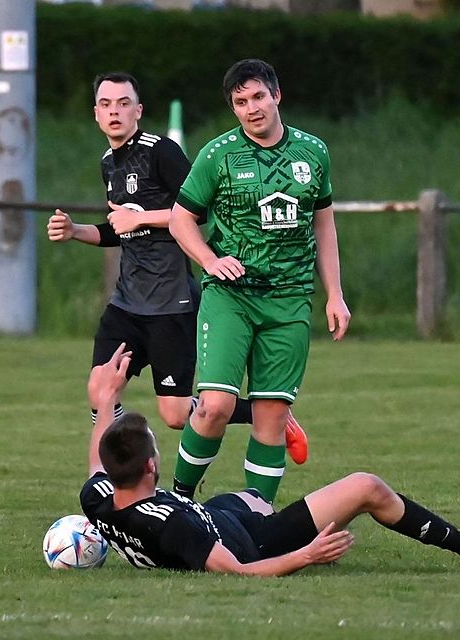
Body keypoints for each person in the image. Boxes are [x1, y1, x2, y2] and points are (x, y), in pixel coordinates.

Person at [79, 345, 460, 576]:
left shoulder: (100, 498)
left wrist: (106, 402)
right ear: (152, 468)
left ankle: (269, 446)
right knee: (366, 487)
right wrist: (305, 555)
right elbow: (240, 572)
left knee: (252, 496)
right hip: (256, 543)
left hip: (219, 513)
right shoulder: (171, 528)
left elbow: (100, 464)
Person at [46, 71, 308, 462]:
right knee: (100, 389)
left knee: (174, 414)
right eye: (105, 104)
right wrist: (75, 230)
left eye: (123, 103)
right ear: (96, 115)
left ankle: (268, 414)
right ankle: (115, 484)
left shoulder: (160, 152)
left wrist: (142, 219)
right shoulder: (108, 163)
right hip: (127, 304)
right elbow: (122, 227)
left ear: (139, 110)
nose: (114, 112)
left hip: (172, 304)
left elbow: (196, 212)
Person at [168, 59, 350, 502]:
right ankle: (177, 500)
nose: (251, 109)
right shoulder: (218, 155)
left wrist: (335, 296)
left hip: (290, 300)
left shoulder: (313, 152)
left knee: (271, 414)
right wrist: (210, 261)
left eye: (258, 97)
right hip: (231, 297)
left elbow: (323, 224)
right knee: (214, 406)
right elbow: (180, 219)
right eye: (240, 102)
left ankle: (256, 515)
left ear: (276, 95)